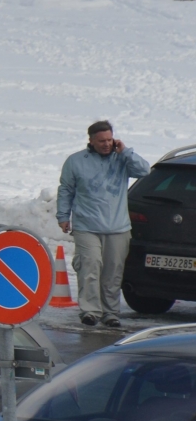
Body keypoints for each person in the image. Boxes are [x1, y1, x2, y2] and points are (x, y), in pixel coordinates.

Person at [57, 121, 150, 326]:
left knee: (112, 272)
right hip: (86, 226)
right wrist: (63, 216)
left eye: (109, 140)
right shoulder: (75, 161)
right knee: (89, 265)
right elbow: (66, 190)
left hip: (117, 228)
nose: (106, 144)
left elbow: (144, 171)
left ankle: (111, 313)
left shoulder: (121, 159)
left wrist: (125, 152)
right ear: (91, 141)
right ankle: (90, 311)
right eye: (101, 141)